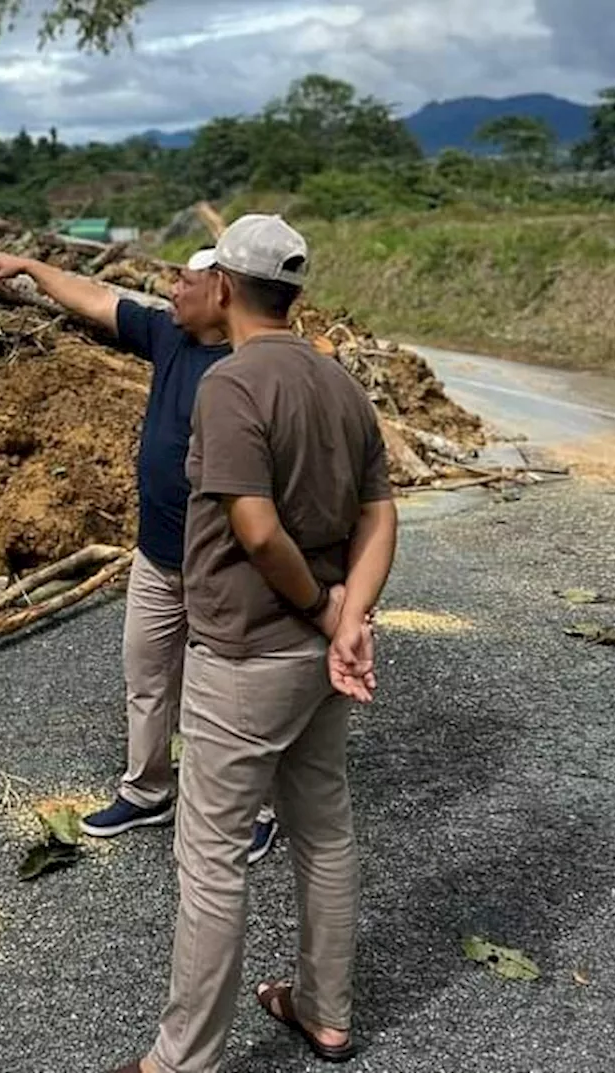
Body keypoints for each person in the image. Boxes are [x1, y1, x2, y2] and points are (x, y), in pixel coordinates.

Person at [109, 214, 398, 1073]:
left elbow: (257, 528)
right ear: (295, 292)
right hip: (315, 664)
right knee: (324, 828)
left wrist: (322, 610)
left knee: (209, 859)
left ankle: (181, 1059)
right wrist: (351, 618)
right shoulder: (339, 382)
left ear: (226, 286)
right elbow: (381, 513)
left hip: (245, 653)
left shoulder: (231, 386)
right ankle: (324, 1012)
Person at [0, 250, 277, 861]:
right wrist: (31, 268)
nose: (171, 290)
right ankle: (148, 791)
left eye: (184, 283)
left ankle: (256, 810)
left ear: (220, 292)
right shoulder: (171, 337)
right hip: (157, 556)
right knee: (146, 675)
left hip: (224, 565)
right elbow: (93, 297)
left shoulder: (254, 366)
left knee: (227, 691)